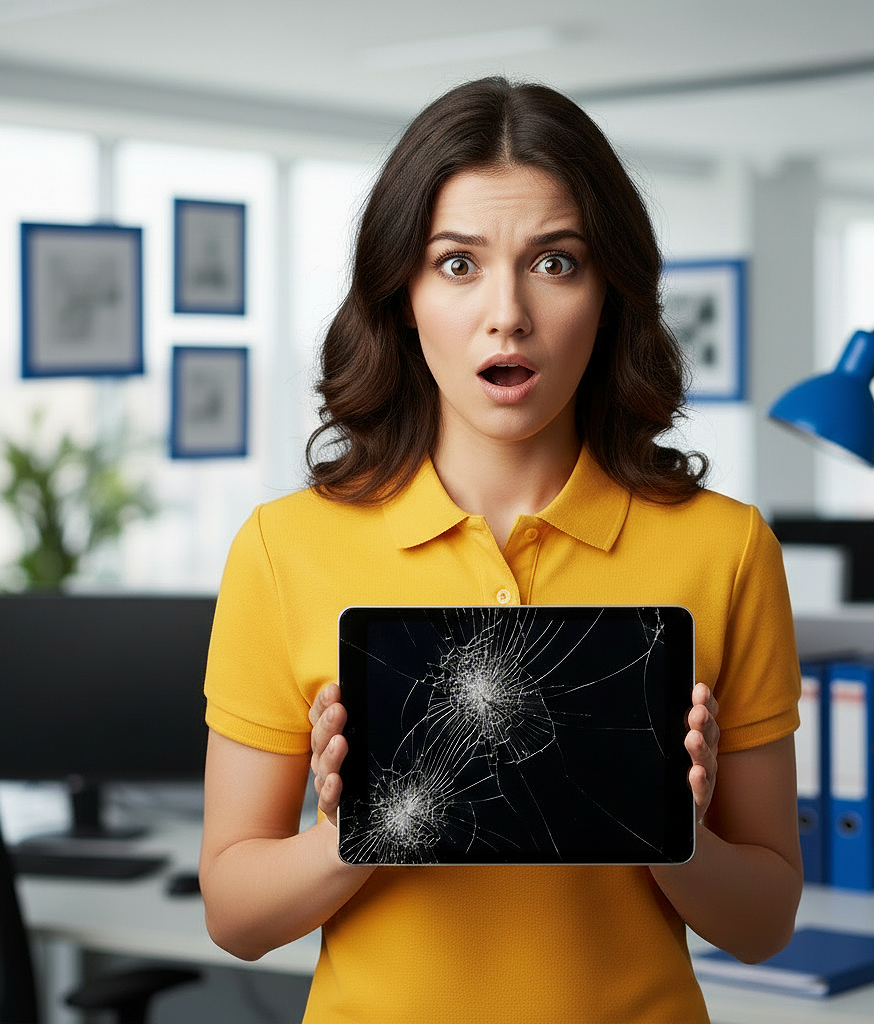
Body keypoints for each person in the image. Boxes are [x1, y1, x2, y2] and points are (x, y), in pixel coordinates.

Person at [199, 76, 802, 1024]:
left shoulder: (726, 548)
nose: (508, 312)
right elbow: (234, 917)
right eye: (457, 264)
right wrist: (357, 830)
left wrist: (671, 831)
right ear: (403, 295)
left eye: (555, 263)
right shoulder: (284, 546)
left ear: (609, 294)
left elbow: (766, 923)